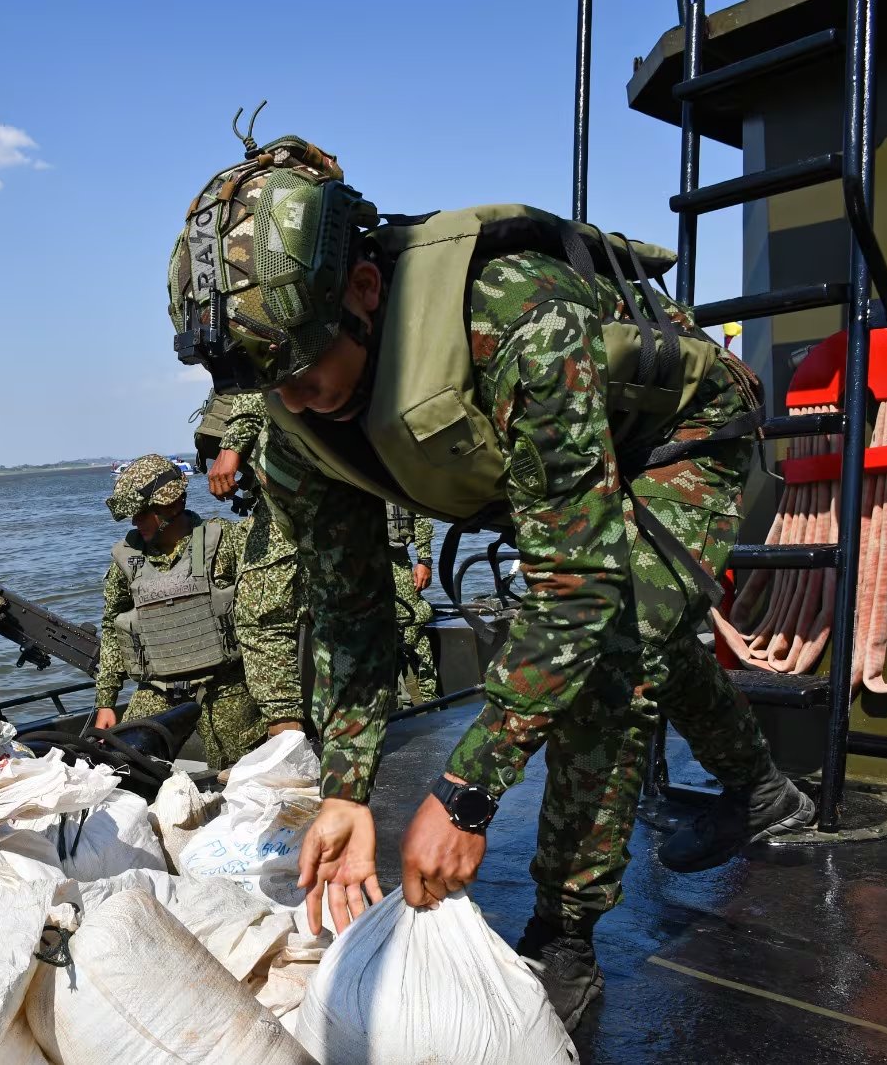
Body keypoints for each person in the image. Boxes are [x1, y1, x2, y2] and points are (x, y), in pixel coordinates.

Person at [166, 133, 814, 1028]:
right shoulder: (296, 428)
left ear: (364, 290)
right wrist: (346, 788)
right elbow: (353, 616)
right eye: (270, 386)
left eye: (305, 371)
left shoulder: (517, 319)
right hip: (567, 451)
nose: (294, 400)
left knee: (616, 648)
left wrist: (466, 794)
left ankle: (564, 934)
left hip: (679, 437)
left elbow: (578, 590)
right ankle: (765, 793)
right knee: (644, 622)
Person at [92, 453, 286, 768]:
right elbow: (112, 627)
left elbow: (265, 613)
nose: (134, 522)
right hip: (157, 690)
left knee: (242, 776)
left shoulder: (225, 541)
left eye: (142, 513)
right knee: (124, 767)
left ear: (169, 506)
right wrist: (106, 701)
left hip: (225, 687)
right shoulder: (128, 560)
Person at [202, 390, 312, 734]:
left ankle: (289, 747)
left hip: (293, 490)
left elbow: (260, 376)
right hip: (334, 477)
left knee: (262, 618)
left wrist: (231, 449)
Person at [386, 503, 439, 705]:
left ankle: (428, 703)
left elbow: (419, 510)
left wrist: (424, 560)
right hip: (355, 563)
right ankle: (392, 705)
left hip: (397, 560)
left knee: (413, 623)